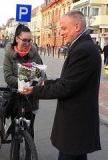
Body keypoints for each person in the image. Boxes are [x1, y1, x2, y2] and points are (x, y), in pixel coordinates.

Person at [21, 10, 101, 160]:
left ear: (77, 27)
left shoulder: (83, 50)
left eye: (64, 28)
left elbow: (66, 87)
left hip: (75, 122)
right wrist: (45, 83)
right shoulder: (82, 46)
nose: (61, 32)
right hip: (77, 120)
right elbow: (69, 81)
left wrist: (35, 90)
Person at [3, 24, 44, 139]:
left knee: (29, 129)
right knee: (16, 130)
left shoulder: (34, 54)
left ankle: (29, 154)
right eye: (24, 40)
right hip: (15, 98)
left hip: (31, 99)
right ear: (17, 39)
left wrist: (42, 80)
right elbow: (8, 77)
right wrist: (23, 83)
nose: (27, 44)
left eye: (30, 40)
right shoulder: (9, 55)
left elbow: (41, 72)